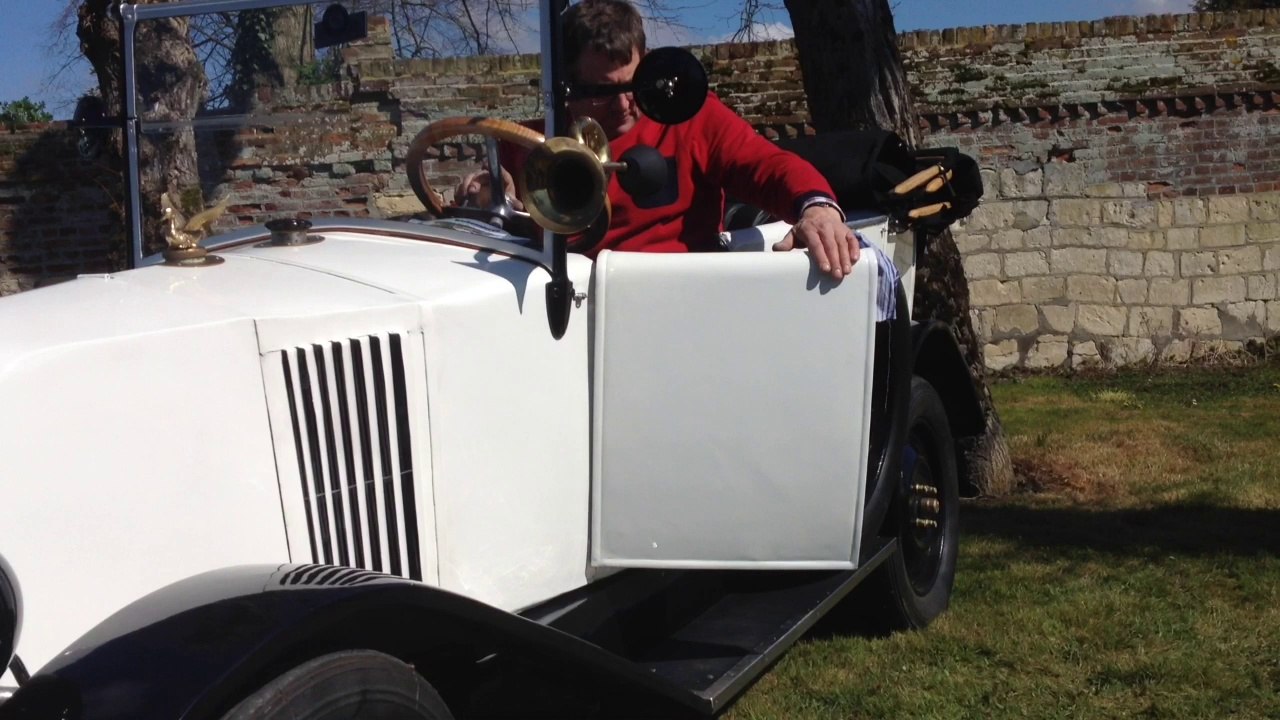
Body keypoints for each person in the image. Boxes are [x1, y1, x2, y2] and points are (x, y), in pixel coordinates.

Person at [458, 0, 860, 280]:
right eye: (600, 91)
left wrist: (817, 207)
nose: (624, 105)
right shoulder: (534, 144)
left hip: (676, 299)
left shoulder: (692, 117)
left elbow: (765, 165)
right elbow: (491, 211)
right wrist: (486, 191)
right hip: (569, 316)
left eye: (634, 84)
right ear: (566, 84)